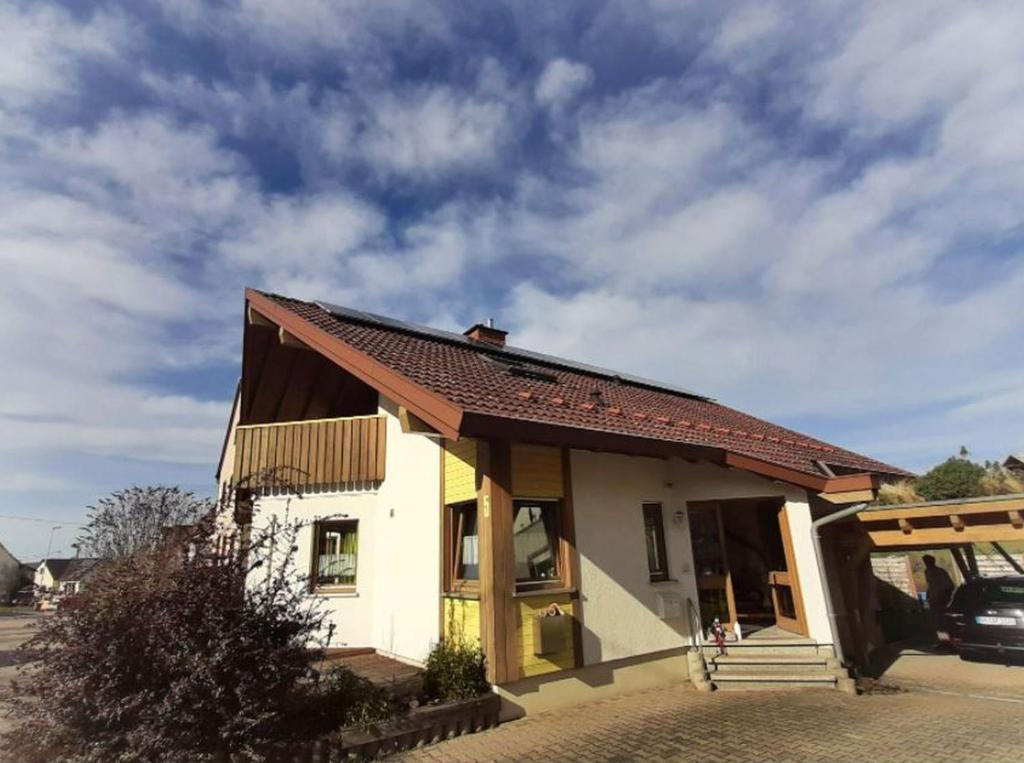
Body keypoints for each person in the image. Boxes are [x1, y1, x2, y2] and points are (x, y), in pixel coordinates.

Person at [922, 554, 955, 643]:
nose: (926, 564)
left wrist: (943, 597)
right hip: (933, 599)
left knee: (943, 621)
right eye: (925, 562)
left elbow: (950, 586)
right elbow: (930, 585)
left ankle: (948, 641)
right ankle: (942, 641)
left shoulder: (941, 572)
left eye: (928, 561)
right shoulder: (927, 572)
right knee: (937, 622)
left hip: (941, 600)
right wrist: (928, 596)